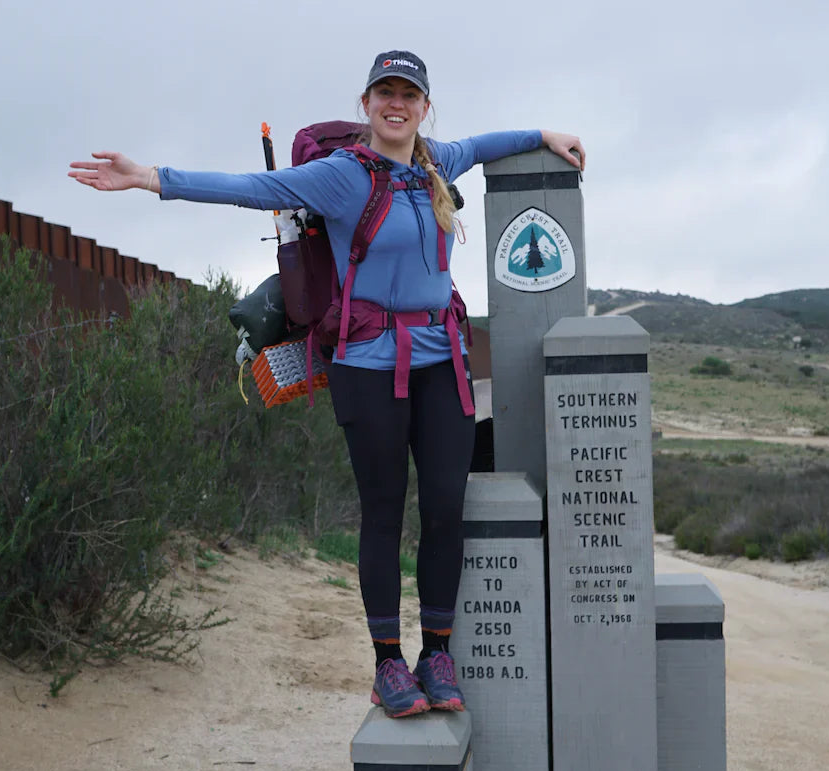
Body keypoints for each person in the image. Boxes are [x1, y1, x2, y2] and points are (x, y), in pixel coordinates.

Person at [70, 50, 585, 719]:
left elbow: (490, 144)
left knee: (445, 511)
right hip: (368, 366)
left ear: (424, 106)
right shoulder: (342, 177)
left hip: (441, 363)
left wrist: (544, 135)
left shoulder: (437, 161)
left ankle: (436, 652)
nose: (396, 104)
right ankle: (387, 665)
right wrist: (149, 178)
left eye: (408, 94)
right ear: (367, 104)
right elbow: (249, 188)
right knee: (382, 512)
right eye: (384, 93)